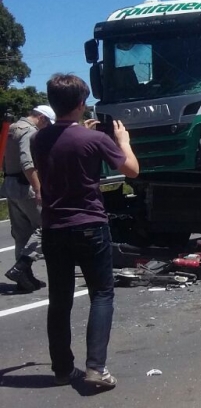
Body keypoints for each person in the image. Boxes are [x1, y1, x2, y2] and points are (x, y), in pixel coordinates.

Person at [31, 74, 139, 388]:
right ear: (81, 104)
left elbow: (63, 146)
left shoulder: (39, 139)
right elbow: (131, 170)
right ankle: (96, 368)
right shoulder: (95, 139)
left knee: (59, 299)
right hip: (90, 224)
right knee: (102, 295)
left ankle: (63, 368)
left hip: (54, 228)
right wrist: (123, 142)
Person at [2, 105, 55, 292]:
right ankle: (21, 267)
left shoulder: (11, 128)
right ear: (41, 118)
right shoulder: (29, 132)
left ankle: (24, 279)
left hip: (10, 184)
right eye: (47, 124)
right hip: (26, 187)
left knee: (21, 234)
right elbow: (27, 162)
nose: (46, 128)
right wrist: (38, 188)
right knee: (48, 226)